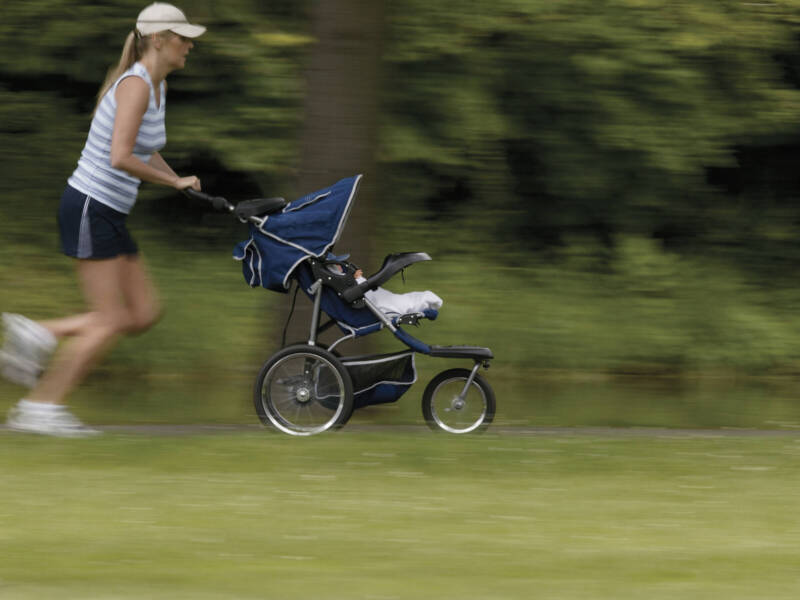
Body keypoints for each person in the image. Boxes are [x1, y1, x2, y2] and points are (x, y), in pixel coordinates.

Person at [1, 3, 206, 437]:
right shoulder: (135, 86)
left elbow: (144, 148)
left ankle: (39, 332)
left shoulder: (156, 87)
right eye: (182, 37)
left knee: (144, 311)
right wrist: (171, 185)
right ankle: (40, 408)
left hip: (107, 211)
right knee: (110, 318)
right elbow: (120, 155)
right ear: (158, 40)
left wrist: (179, 180)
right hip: (90, 206)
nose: (189, 44)